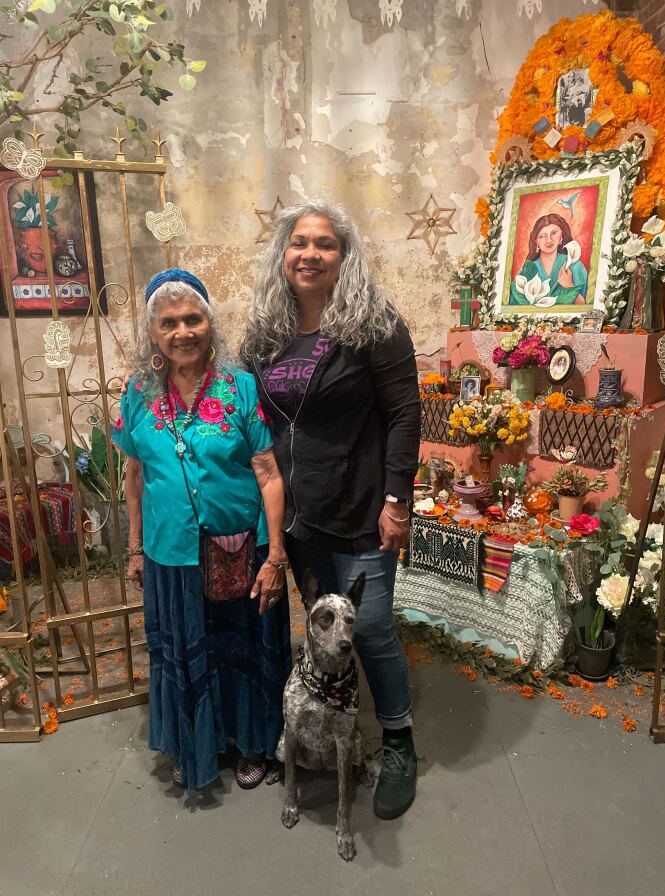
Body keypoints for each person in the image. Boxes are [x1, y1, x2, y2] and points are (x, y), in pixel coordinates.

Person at [240, 200, 421, 821]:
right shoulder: (266, 330)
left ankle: (397, 741)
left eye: (325, 244)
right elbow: (246, 413)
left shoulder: (375, 324)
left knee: (368, 630)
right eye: (299, 242)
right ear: (282, 254)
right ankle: (319, 731)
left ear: (345, 257)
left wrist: (397, 500)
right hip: (297, 512)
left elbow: (403, 414)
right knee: (319, 628)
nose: (309, 254)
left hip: (364, 505)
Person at [113, 268, 291, 793]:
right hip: (172, 552)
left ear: (211, 325)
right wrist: (135, 548)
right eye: (168, 323)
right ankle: (198, 740)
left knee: (245, 646)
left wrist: (275, 553)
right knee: (188, 646)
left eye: (193, 319)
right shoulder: (136, 394)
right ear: (152, 333)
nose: (182, 332)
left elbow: (268, 471)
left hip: (240, 546)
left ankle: (253, 744)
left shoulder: (240, 387)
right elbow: (134, 476)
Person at [509, 213, 588, 306]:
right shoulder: (528, 269)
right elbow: (514, 306)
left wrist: (569, 286)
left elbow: (585, 308)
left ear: (561, 236)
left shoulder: (575, 265)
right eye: (542, 236)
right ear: (536, 241)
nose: (549, 240)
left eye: (554, 233)